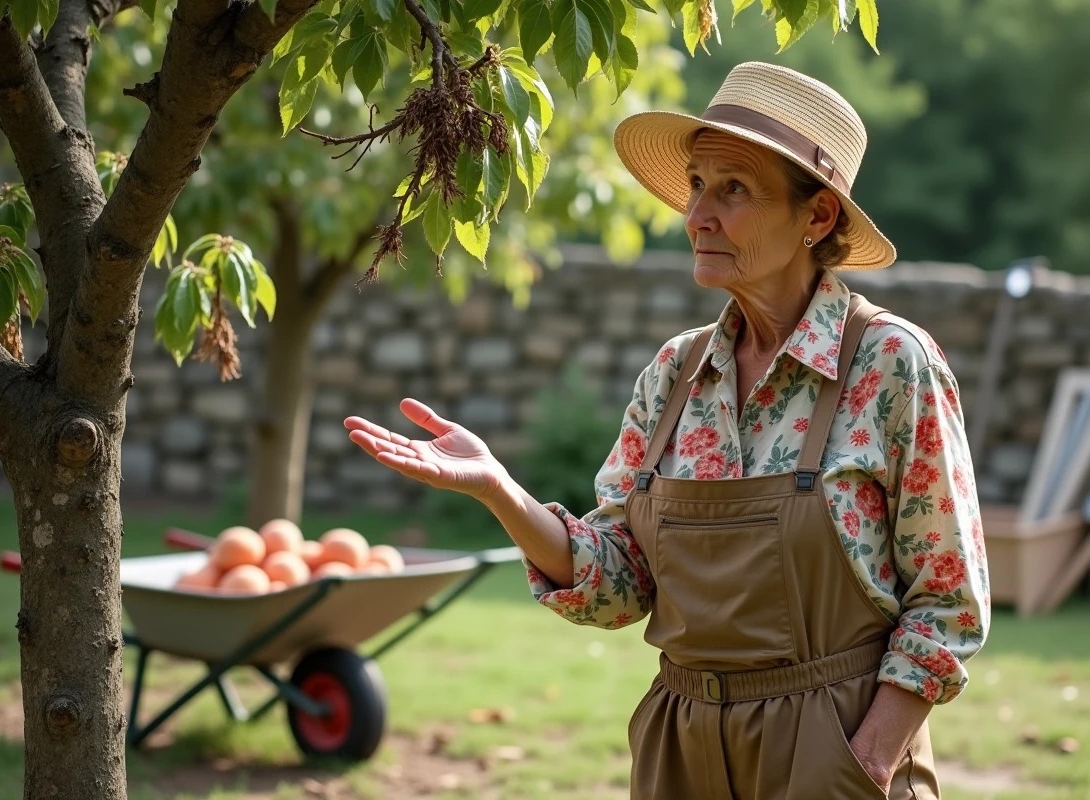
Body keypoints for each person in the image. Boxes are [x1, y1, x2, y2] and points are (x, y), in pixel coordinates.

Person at [345, 61, 990, 800]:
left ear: (816, 217)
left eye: (733, 190)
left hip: (834, 749)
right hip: (681, 752)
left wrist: (863, 764)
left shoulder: (891, 365)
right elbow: (618, 585)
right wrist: (499, 491)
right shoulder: (675, 375)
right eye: (695, 185)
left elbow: (947, 600)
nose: (697, 216)